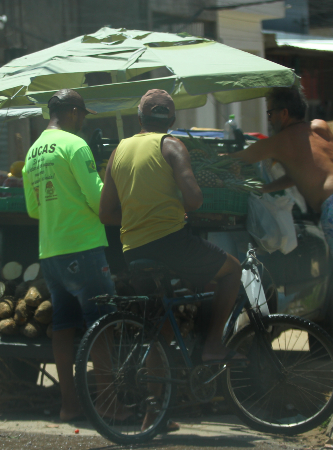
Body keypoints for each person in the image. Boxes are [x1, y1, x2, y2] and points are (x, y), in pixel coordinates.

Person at [99, 89, 242, 429]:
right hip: (170, 243)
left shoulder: (119, 150)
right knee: (232, 271)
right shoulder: (171, 145)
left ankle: (154, 415)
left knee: (157, 330)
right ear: (172, 121)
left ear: (140, 120)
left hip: (132, 250)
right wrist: (173, 206)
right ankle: (212, 344)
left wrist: (139, 218)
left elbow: (106, 213)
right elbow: (193, 199)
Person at [231, 85, 333, 372]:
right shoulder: (319, 128)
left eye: (270, 113)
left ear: (283, 113)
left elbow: (238, 158)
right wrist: (268, 186)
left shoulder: (280, 141)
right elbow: (307, 172)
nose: (269, 119)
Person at [22, 89, 130, 423]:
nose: (83, 122)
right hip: (82, 248)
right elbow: (97, 197)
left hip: (51, 251)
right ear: (71, 112)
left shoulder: (33, 152)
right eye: (82, 115)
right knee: (102, 325)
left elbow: (31, 208)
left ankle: (68, 406)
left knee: (64, 326)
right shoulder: (74, 145)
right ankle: (109, 405)